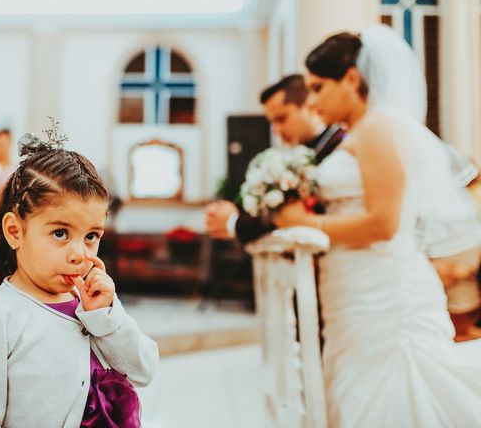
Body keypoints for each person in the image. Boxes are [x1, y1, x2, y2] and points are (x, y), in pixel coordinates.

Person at [274, 25, 481, 427]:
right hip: (354, 289)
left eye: (318, 88)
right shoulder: (361, 132)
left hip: (385, 291)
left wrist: (306, 221)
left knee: (392, 396)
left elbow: (385, 225)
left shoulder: (378, 128)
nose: (313, 101)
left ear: (351, 79)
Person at [0, 129, 159, 427]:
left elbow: (143, 369)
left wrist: (107, 317)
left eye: (92, 236)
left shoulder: (90, 304)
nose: (79, 254)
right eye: (60, 233)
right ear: (15, 231)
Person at [205, 74, 345, 244]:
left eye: (282, 119)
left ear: (309, 106)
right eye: (272, 123)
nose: (277, 130)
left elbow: (296, 213)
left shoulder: (337, 144)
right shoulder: (305, 151)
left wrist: (234, 223)